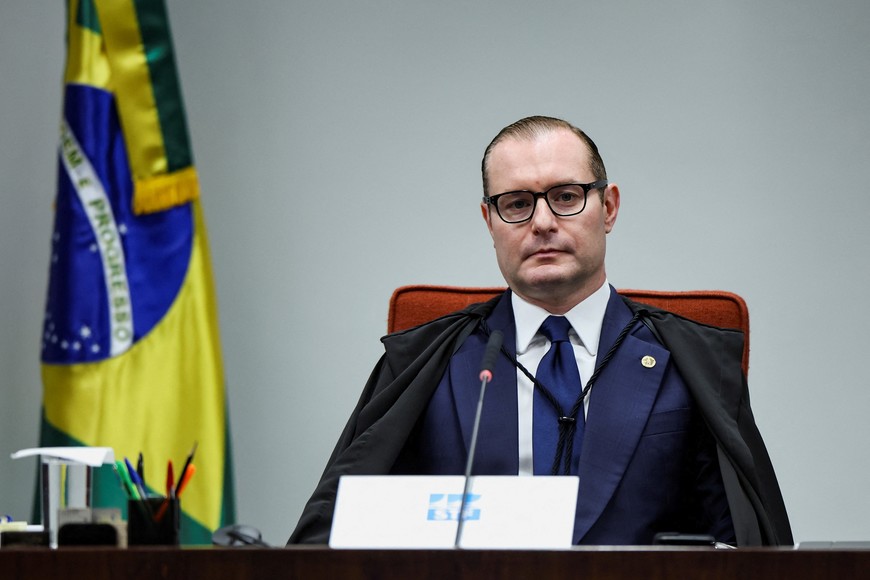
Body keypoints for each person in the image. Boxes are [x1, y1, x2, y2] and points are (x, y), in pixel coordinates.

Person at [288, 115, 792, 546]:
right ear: (490, 221)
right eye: (516, 204)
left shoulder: (689, 360)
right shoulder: (427, 361)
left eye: (566, 196)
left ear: (609, 207)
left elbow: (747, 545)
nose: (543, 222)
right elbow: (332, 537)